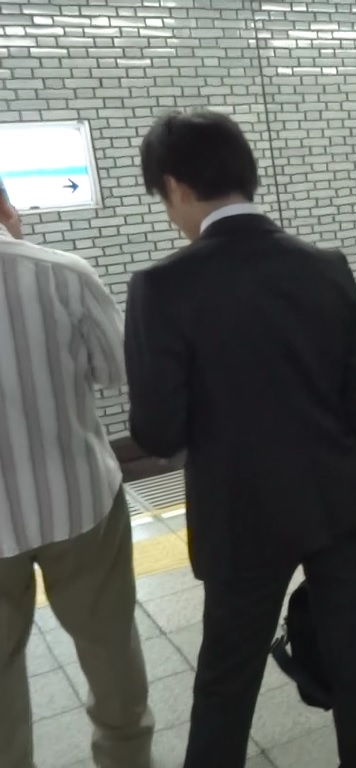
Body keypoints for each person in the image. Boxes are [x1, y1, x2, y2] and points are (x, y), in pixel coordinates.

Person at [124, 110, 356, 768]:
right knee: (355, 668)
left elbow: (156, 430)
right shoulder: (326, 266)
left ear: (176, 186)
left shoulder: (161, 287)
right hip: (340, 502)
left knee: (226, 683)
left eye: (165, 201)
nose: (170, 215)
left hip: (242, 517)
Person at [0, 180, 155, 768]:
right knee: (110, 649)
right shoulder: (64, 274)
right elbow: (116, 369)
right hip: (79, 501)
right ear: (5, 206)